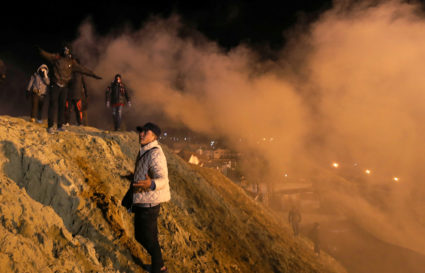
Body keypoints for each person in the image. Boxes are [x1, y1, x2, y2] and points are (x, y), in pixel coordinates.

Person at [132, 122, 169, 273]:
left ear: (154, 137)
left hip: (149, 204)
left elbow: (163, 179)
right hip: (145, 200)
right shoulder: (145, 150)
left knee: (146, 238)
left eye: (145, 132)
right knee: (147, 237)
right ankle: (159, 267)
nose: (141, 134)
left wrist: (151, 184)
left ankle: (160, 268)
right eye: (141, 131)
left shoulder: (155, 153)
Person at [39, 45, 101, 133]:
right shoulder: (56, 58)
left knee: (62, 106)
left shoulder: (72, 63)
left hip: (64, 86)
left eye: (67, 51)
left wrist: (93, 74)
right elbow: (46, 55)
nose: (66, 52)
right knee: (53, 105)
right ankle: (50, 126)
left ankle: (60, 126)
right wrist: (40, 50)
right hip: (55, 85)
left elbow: (82, 69)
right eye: (64, 51)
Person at [65, 59, 88, 126]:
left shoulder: (69, 71)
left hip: (71, 94)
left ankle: (68, 122)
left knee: (70, 109)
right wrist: (86, 94)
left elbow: (84, 84)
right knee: (76, 109)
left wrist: (86, 94)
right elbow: (85, 84)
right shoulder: (80, 73)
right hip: (75, 94)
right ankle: (78, 123)